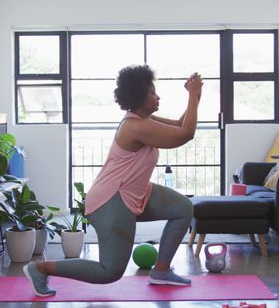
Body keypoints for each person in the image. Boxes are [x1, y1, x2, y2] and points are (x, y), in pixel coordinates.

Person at [23, 64, 203, 296]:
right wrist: (191, 94)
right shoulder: (135, 126)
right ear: (138, 96)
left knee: (183, 208)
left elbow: (181, 125)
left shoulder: (144, 120)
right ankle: (40, 268)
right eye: (152, 93)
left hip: (135, 190)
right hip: (112, 199)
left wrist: (195, 97)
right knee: (110, 271)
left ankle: (161, 270)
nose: (158, 97)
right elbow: (185, 134)